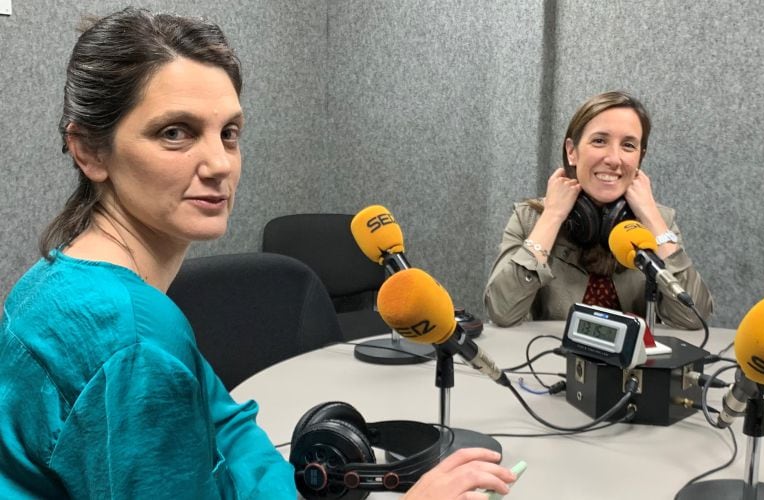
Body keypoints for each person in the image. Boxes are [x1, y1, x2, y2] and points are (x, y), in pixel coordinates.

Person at [0, 8, 515, 498]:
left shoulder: (58, 281)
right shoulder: (133, 337)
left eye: (228, 133)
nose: (219, 163)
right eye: (174, 133)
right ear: (89, 150)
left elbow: (221, 423)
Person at [485, 91, 713, 329]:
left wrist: (651, 217)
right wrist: (552, 216)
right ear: (572, 151)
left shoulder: (659, 221)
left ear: (640, 158)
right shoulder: (530, 218)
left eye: (628, 145)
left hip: (631, 364)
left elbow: (692, 318)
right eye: (599, 141)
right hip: (550, 360)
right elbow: (502, 311)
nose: (614, 159)